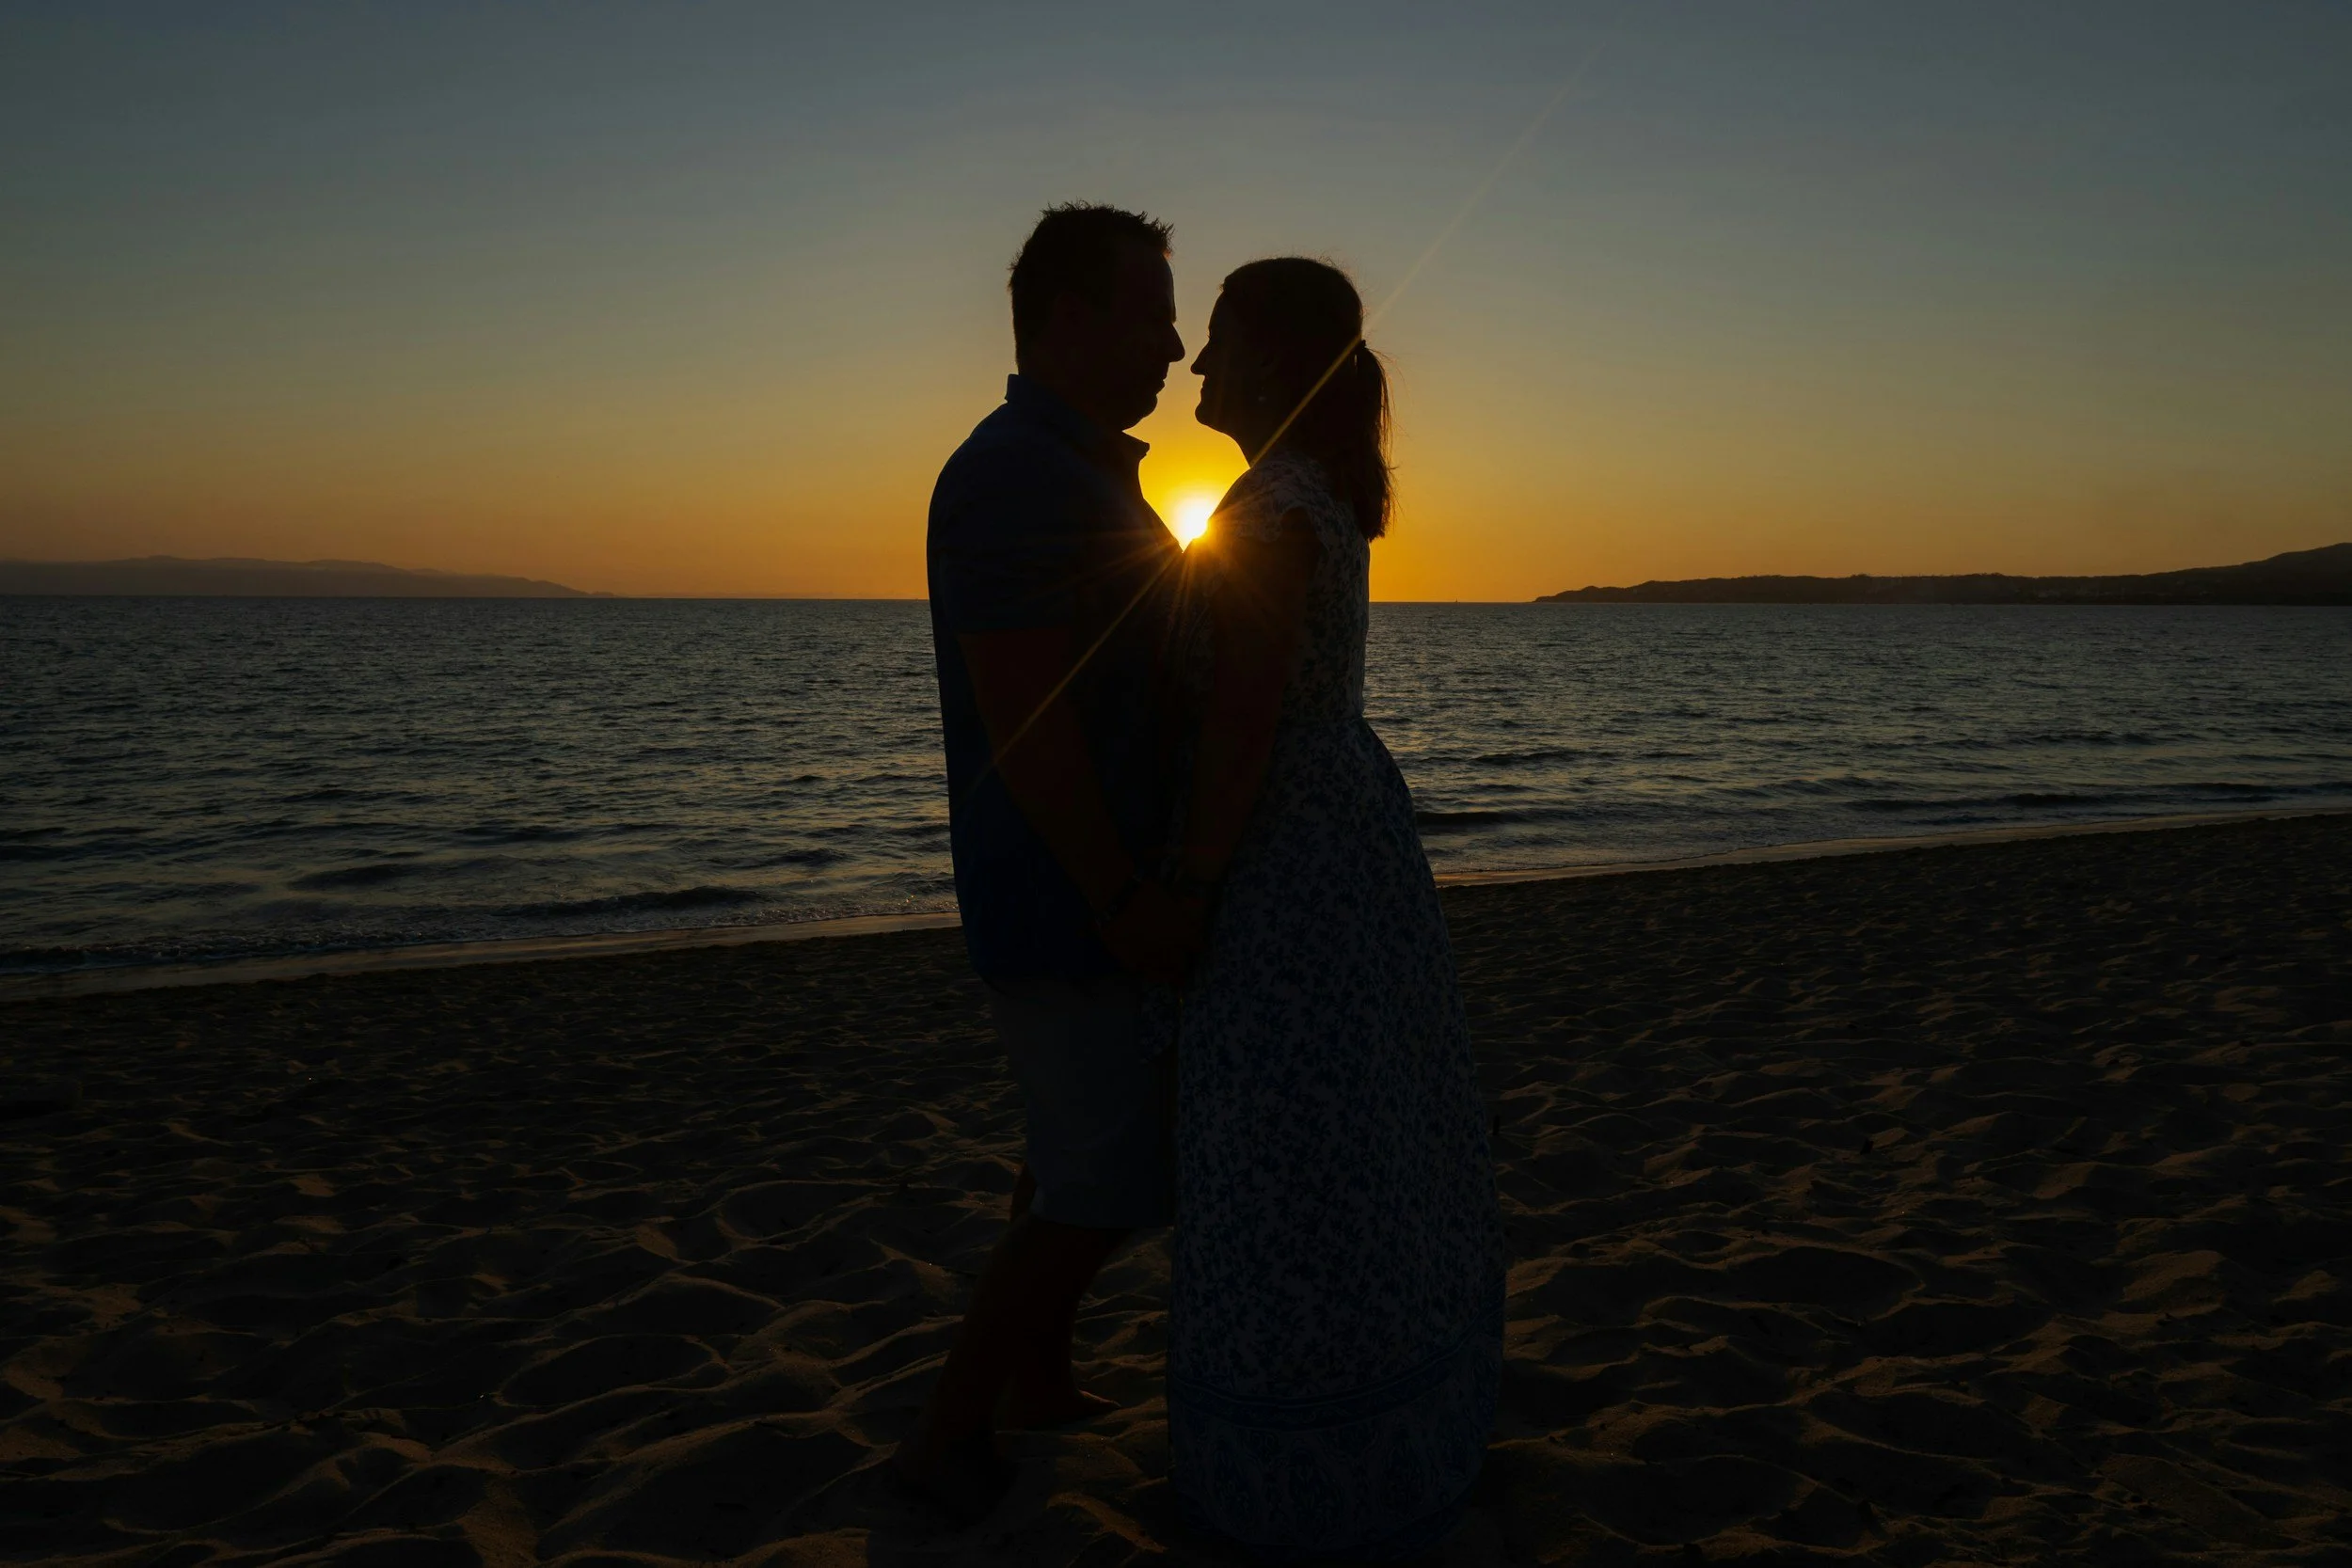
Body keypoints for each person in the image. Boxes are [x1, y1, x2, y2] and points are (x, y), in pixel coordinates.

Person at [1164, 257, 1503, 1558]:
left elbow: (1243, 723)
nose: (1196, 366)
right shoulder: (1316, 496)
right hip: (1346, 841)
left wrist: (1190, 884)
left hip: (1286, 865)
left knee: (1284, 1148)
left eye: (1217, 343)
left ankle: (1298, 1467)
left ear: (1268, 364)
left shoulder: (1265, 511)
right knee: (1353, 1135)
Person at [898, 203, 1196, 1522]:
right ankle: (949, 1430)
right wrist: (1122, 892)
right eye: (1151, 312)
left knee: (1070, 1150)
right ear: (1068, 318)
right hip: (1064, 895)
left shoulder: (1079, 469)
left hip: (1088, 889)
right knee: (1102, 1177)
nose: (1177, 345)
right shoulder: (1014, 473)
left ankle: (1039, 1377)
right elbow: (1028, 718)